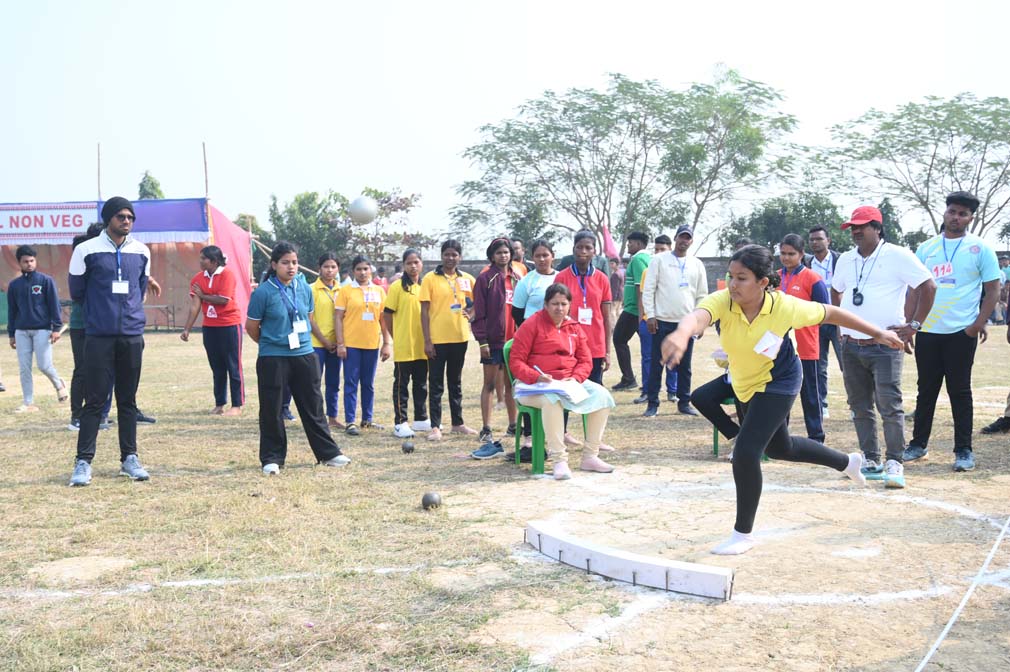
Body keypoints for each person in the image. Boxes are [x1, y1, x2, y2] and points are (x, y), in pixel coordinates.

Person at [661, 244, 902, 555]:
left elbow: (831, 313)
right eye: (731, 276)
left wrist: (879, 333)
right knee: (780, 448)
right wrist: (681, 334)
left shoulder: (784, 306)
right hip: (746, 383)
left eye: (742, 278)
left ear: (763, 282)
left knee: (747, 453)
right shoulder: (724, 301)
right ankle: (848, 462)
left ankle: (742, 534)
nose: (733, 284)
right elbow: (696, 317)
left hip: (781, 380)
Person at [831, 205, 936, 489]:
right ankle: (870, 459)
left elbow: (928, 286)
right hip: (851, 345)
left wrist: (914, 325)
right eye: (852, 227)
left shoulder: (897, 255)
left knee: (889, 405)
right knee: (859, 406)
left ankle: (895, 462)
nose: (855, 231)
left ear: (877, 227)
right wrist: (842, 328)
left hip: (885, 344)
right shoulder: (846, 259)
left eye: (861, 226)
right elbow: (836, 290)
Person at [902, 192, 1000, 472]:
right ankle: (918, 444)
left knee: (960, 391)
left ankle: (964, 451)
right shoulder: (926, 248)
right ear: (945, 212)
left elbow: (992, 289)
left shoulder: (980, 248)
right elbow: (914, 290)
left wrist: (978, 324)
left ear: (971, 218)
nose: (956, 218)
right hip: (929, 331)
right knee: (926, 390)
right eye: (952, 212)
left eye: (962, 214)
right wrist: (910, 326)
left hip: (961, 332)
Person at [67, 197, 153, 486]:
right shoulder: (86, 250)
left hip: (131, 335)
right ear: (108, 219)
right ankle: (83, 462)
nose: (126, 220)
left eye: (130, 216)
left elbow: (139, 287)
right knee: (94, 401)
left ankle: (129, 458)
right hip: (98, 337)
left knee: (127, 401)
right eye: (120, 216)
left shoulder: (142, 252)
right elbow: (78, 292)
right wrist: (100, 315)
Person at [246, 242, 350, 474]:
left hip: (304, 354)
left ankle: (329, 453)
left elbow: (309, 317)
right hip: (273, 358)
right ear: (274, 265)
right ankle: (272, 458)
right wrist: (270, 342)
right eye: (285, 263)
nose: (291, 267)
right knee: (272, 409)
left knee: (313, 406)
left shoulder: (304, 288)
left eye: (294, 262)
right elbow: (252, 327)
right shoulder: (263, 292)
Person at [509, 283, 616, 480]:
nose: (559, 308)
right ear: (545, 305)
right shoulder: (531, 324)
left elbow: (585, 360)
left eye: (563, 304)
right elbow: (515, 361)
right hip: (534, 387)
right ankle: (559, 460)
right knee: (551, 400)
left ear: (570, 305)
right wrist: (536, 376)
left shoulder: (574, 327)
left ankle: (590, 456)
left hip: (567, 383)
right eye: (554, 304)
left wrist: (575, 379)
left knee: (602, 395)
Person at [555, 231, 617, 453]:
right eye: (579, 247)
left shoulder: (601, 278)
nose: (583, 252)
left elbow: (606, 316)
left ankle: (595, 440)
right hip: (566, 346)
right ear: (573, 249)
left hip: (595, 346)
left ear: (594, 251)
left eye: (588, 248)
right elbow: (554, 312)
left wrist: (608, 351)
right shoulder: (561, 277)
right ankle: (559, 436)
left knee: (596, 393)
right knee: (562, 392)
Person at [642, 226, 707, 417]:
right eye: (681, 237)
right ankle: (652, 403)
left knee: (684, 367)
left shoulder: (696, 264)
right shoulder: (659, 260)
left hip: (686, 323)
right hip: (661, 321)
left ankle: (684, 402)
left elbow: (702, 295)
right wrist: (650, 315)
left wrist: (699, 321)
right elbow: (649, 290)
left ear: (691, 241)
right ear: (675, 239)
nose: (683, 241)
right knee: (657, 364)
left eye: (687, 238)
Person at [420, 240, 478, 441]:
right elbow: (424, 311)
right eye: (447, 254)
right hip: (437, 339)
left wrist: (471, 314)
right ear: (441, 255)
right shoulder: (430, 278)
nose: (450, 258)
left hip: (460, 337)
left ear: (459, 257)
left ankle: (458, 423)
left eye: (454, 254)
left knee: (456, 382)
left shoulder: (468, 279)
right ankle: (435, 426)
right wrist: (427, 340)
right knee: (435, 383)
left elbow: (478, 303)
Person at [180, 245, 245, 416]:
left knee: (233, 366)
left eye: (204, 258)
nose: (200, 261)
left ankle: (237, 405)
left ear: (214, 261)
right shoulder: (197, 279)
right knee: (217, 367)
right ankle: (219, 404)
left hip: (230, 325)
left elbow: (223, 300)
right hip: (210, 328)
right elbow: (195, 306)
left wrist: (203, 296)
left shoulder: (227, 275)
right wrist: (187, 329)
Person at [471, 237, 522, 453]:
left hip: (514, 341)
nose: (503, 256)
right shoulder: (485, 279)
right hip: (492, 341)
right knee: (490, 385)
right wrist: (482, 340)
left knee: (511, 385)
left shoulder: (518, 278)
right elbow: (478, 313)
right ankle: (486, 428)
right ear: (492, 256)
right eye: (499, 252)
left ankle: (513, 425)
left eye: (506, 252)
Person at [778, 234, 830, 442]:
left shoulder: (813, 278)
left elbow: (824, 311)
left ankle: (816, 437)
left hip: (806, 345)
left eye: (791, 254)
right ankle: (780, 435)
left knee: (810, 393)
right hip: (779, 347)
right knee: (780, 394)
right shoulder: (774, 277)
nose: (786, 258)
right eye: (783, 253)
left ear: (801, 254)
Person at [335, 255, 392, 436]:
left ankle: (367, 419)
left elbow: (384, 320)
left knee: (368, 383)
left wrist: (386, 343)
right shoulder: (345, 291)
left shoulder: (379, 291)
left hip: (371, 344)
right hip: (351, 344)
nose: (362, 272)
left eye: (365, 269)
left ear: (371, 270)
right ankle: (350, 421)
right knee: (351, 382)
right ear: (353, 271)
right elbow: (338, 318)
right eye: (358, 269)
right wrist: (341, 343)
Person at [7, 244, 66, 413]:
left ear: (35, 261)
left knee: (44, 365)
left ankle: (58, 383)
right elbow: (12, 310)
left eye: (32, 260)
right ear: (19, 262)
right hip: (21, 331)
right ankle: (28, 402)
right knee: (24, 368)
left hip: (42, 329)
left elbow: (54, 305)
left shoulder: (46, 281)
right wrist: (12, 334)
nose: (29, 264)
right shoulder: (14, 285)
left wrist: (56, 328)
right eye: (25, 261)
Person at [383, 249, 430, 439]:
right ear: (403, 265)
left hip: (423, 345)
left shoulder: (425, 286)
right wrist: (396, 336)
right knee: (401, 385)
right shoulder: (396, 287)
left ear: (421, 264)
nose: (413, 266)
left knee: (421, 384)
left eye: (416, 262)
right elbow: (387, 314)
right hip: (404, 345)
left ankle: (421, 418)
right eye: (409, 263)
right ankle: (400, 422)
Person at [635, 236, 679, 405]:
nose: (659, 253)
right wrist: (642, 319)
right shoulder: (648, 270)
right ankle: (648, 392)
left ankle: (672, 391)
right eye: (656, 250)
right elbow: (644, 295)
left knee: (673, 356)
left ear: (670, 250)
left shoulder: (677, 270)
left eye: (663, 250)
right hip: (650, 321)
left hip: (671, 320)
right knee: (649, 358)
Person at [306, 253, 343, 428]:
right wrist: (325, 341)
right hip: (316, 344)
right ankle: (316, 417)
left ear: (338, 269)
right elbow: (309, 319)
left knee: (334, 382)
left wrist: (339, 342)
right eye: (326, 266)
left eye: (333, 267)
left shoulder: (343, 290)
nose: (329, 270)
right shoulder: (310, 289)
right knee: (314, 383)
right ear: (319, 268)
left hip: (337, 345)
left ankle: (333, 417)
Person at [611, 231, 650, 391]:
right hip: (636, 309)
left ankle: (629, 379)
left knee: (619, 339)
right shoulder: (647, 258)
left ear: (639, 244)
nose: (628, 245)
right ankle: (646, 381)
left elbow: (642, 285)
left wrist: (641, 311)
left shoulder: (639, 259)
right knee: (649, 347)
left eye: (630, 243)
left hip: (634, 310)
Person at [511, 239, 559, 326]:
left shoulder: (561, 278)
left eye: (545, 255)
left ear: (553, 256)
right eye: (537, 256)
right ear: (533, 257)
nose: (541, 259)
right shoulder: (525, 282)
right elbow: (516, 312)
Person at [608, 257, 624, 323]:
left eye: (612, 264)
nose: (611, 265)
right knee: (617, 312)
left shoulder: (615, 274)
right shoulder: (620, 272)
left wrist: (613, 298)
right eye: (610, 264)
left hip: (616, 297)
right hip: (621, 295)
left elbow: (615, 288)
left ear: (617, 264)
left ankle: (614, 328)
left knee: (612, 313)